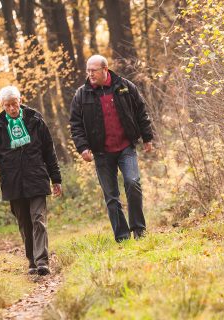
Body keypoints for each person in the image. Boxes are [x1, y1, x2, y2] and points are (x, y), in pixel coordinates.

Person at [0, 85, 62, 276]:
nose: (12, 109)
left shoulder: (35, 121)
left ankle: (42, 262)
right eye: (8, 106)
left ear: (20, 101)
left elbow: (49, 151)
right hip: (13, 182)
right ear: (3, 106)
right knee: (24, 222)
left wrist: (56, 178)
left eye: (14, 104)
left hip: (37, 178)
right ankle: (31, 260)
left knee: (38, 219)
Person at [70, 55, 154, 242]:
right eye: (88, 71)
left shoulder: (125, 87)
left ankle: (139, 231)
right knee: (111, 197)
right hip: (101, 152)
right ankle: (122, 237)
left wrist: (147, 137)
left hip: (126, 147)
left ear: (105, 70)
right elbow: (75, 124)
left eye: (94, 70)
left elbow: (141, 111)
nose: (90, 74)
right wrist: (83, 147)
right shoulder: (82, 94)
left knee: (133, 183)